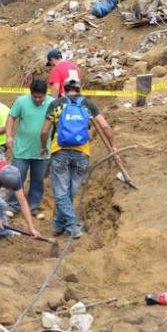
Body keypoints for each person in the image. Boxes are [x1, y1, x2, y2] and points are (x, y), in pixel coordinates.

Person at [40, 77, 119, 238]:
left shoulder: (56, 104)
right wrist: (113, 146)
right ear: (79, 88)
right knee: (69, 192)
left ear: (64, 88)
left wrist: (43, 147)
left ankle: (71, 225)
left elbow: (44, 132)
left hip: (60, 152)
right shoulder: (87, 105)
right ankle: (58, 224)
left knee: (62, 193)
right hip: (82, 153)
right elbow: (105, 127)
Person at [5, 79, 53, 218]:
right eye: (35, 96)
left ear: (45, 94)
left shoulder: (52, 103)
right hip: (22, 149)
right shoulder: (21, 101)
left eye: (40, 97)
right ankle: (13, 205)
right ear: (30, 93)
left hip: (42, 150)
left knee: (38, 180)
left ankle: (34, 206)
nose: (38, 99)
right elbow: (11, 118)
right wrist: (9, 136)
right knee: (17, 177)